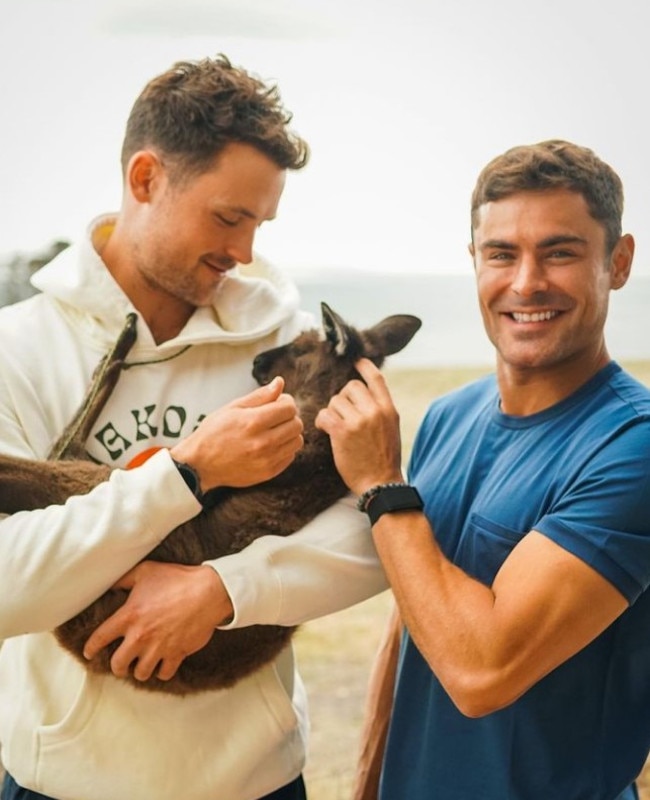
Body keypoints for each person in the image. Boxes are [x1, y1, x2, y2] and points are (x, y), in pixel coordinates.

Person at [0, 54, 386, 800]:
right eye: (227, 217)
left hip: (256, 781)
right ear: (146, 180)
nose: (244, 252)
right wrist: (184, 476)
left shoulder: (291, 346)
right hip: (67, 783)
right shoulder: (18, 349)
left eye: (259, 223)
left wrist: (224, 588)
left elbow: (374, 530)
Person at [316, 139, 650, 799]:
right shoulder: (447, 414)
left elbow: (481, 672)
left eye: (560, 251)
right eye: (502, 253)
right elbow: (413, 618)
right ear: (474, 261)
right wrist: (365, 781)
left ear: (618, 262)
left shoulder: (631, 447)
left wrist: (382, 485)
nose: (526, 283)